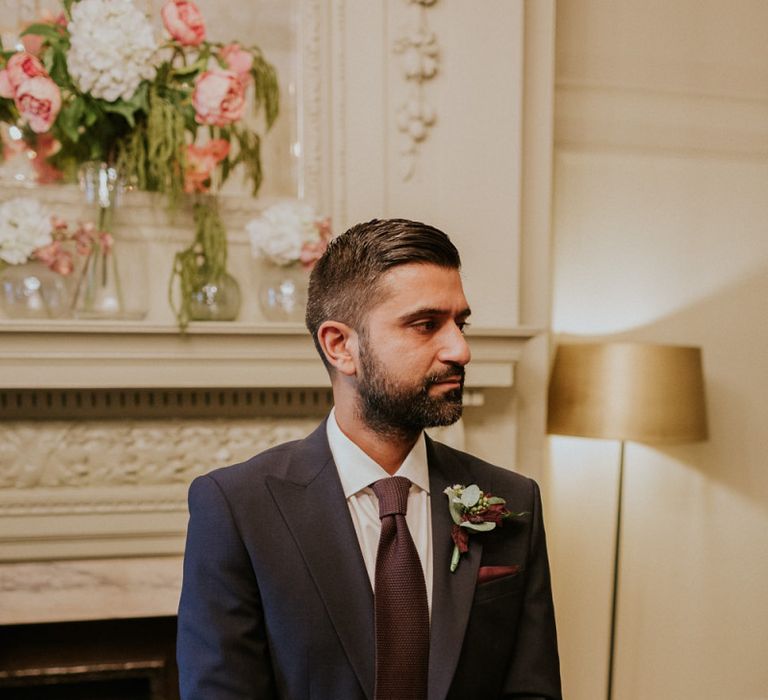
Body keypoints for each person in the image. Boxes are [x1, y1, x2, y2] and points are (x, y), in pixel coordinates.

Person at [176, 218, 561, 699]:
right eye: (426, 325)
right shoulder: (237, 508)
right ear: (340, 346)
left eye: (459, 324)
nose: (460, 350)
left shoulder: (510, 498)